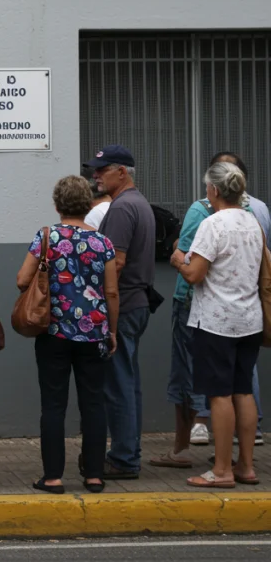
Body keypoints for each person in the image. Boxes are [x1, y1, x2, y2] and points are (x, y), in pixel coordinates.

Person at [17, 176, 119, 494]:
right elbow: (112, 292)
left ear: (57, 204)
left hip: (54, 331)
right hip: (95, 332)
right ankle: (94, 475)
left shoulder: (46, 236)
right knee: (94, 403)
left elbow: (22, 279)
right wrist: (112, 331)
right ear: (88, 204)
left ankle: (52, 477)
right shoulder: (103, 243)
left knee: (53, 405)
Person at [171, 161, 262, 488]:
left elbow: (195, 274)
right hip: (249, 319)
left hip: (216, 322)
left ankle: (222, 470)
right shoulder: (253, 222)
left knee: (219, 395)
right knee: (243, 391)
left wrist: (178, 260)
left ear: (214, 190)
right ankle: (245, 466)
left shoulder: (213, 224)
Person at [89, 145, 156, 480]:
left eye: (102, 170)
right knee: (128, 384)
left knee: (117, 385)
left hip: (124, 306)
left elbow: (114, 263)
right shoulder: (138, 203)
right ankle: (128, 452)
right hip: (137, 303)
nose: (96, 176)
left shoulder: (121, 208)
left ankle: (124, 458)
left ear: (122, 172)